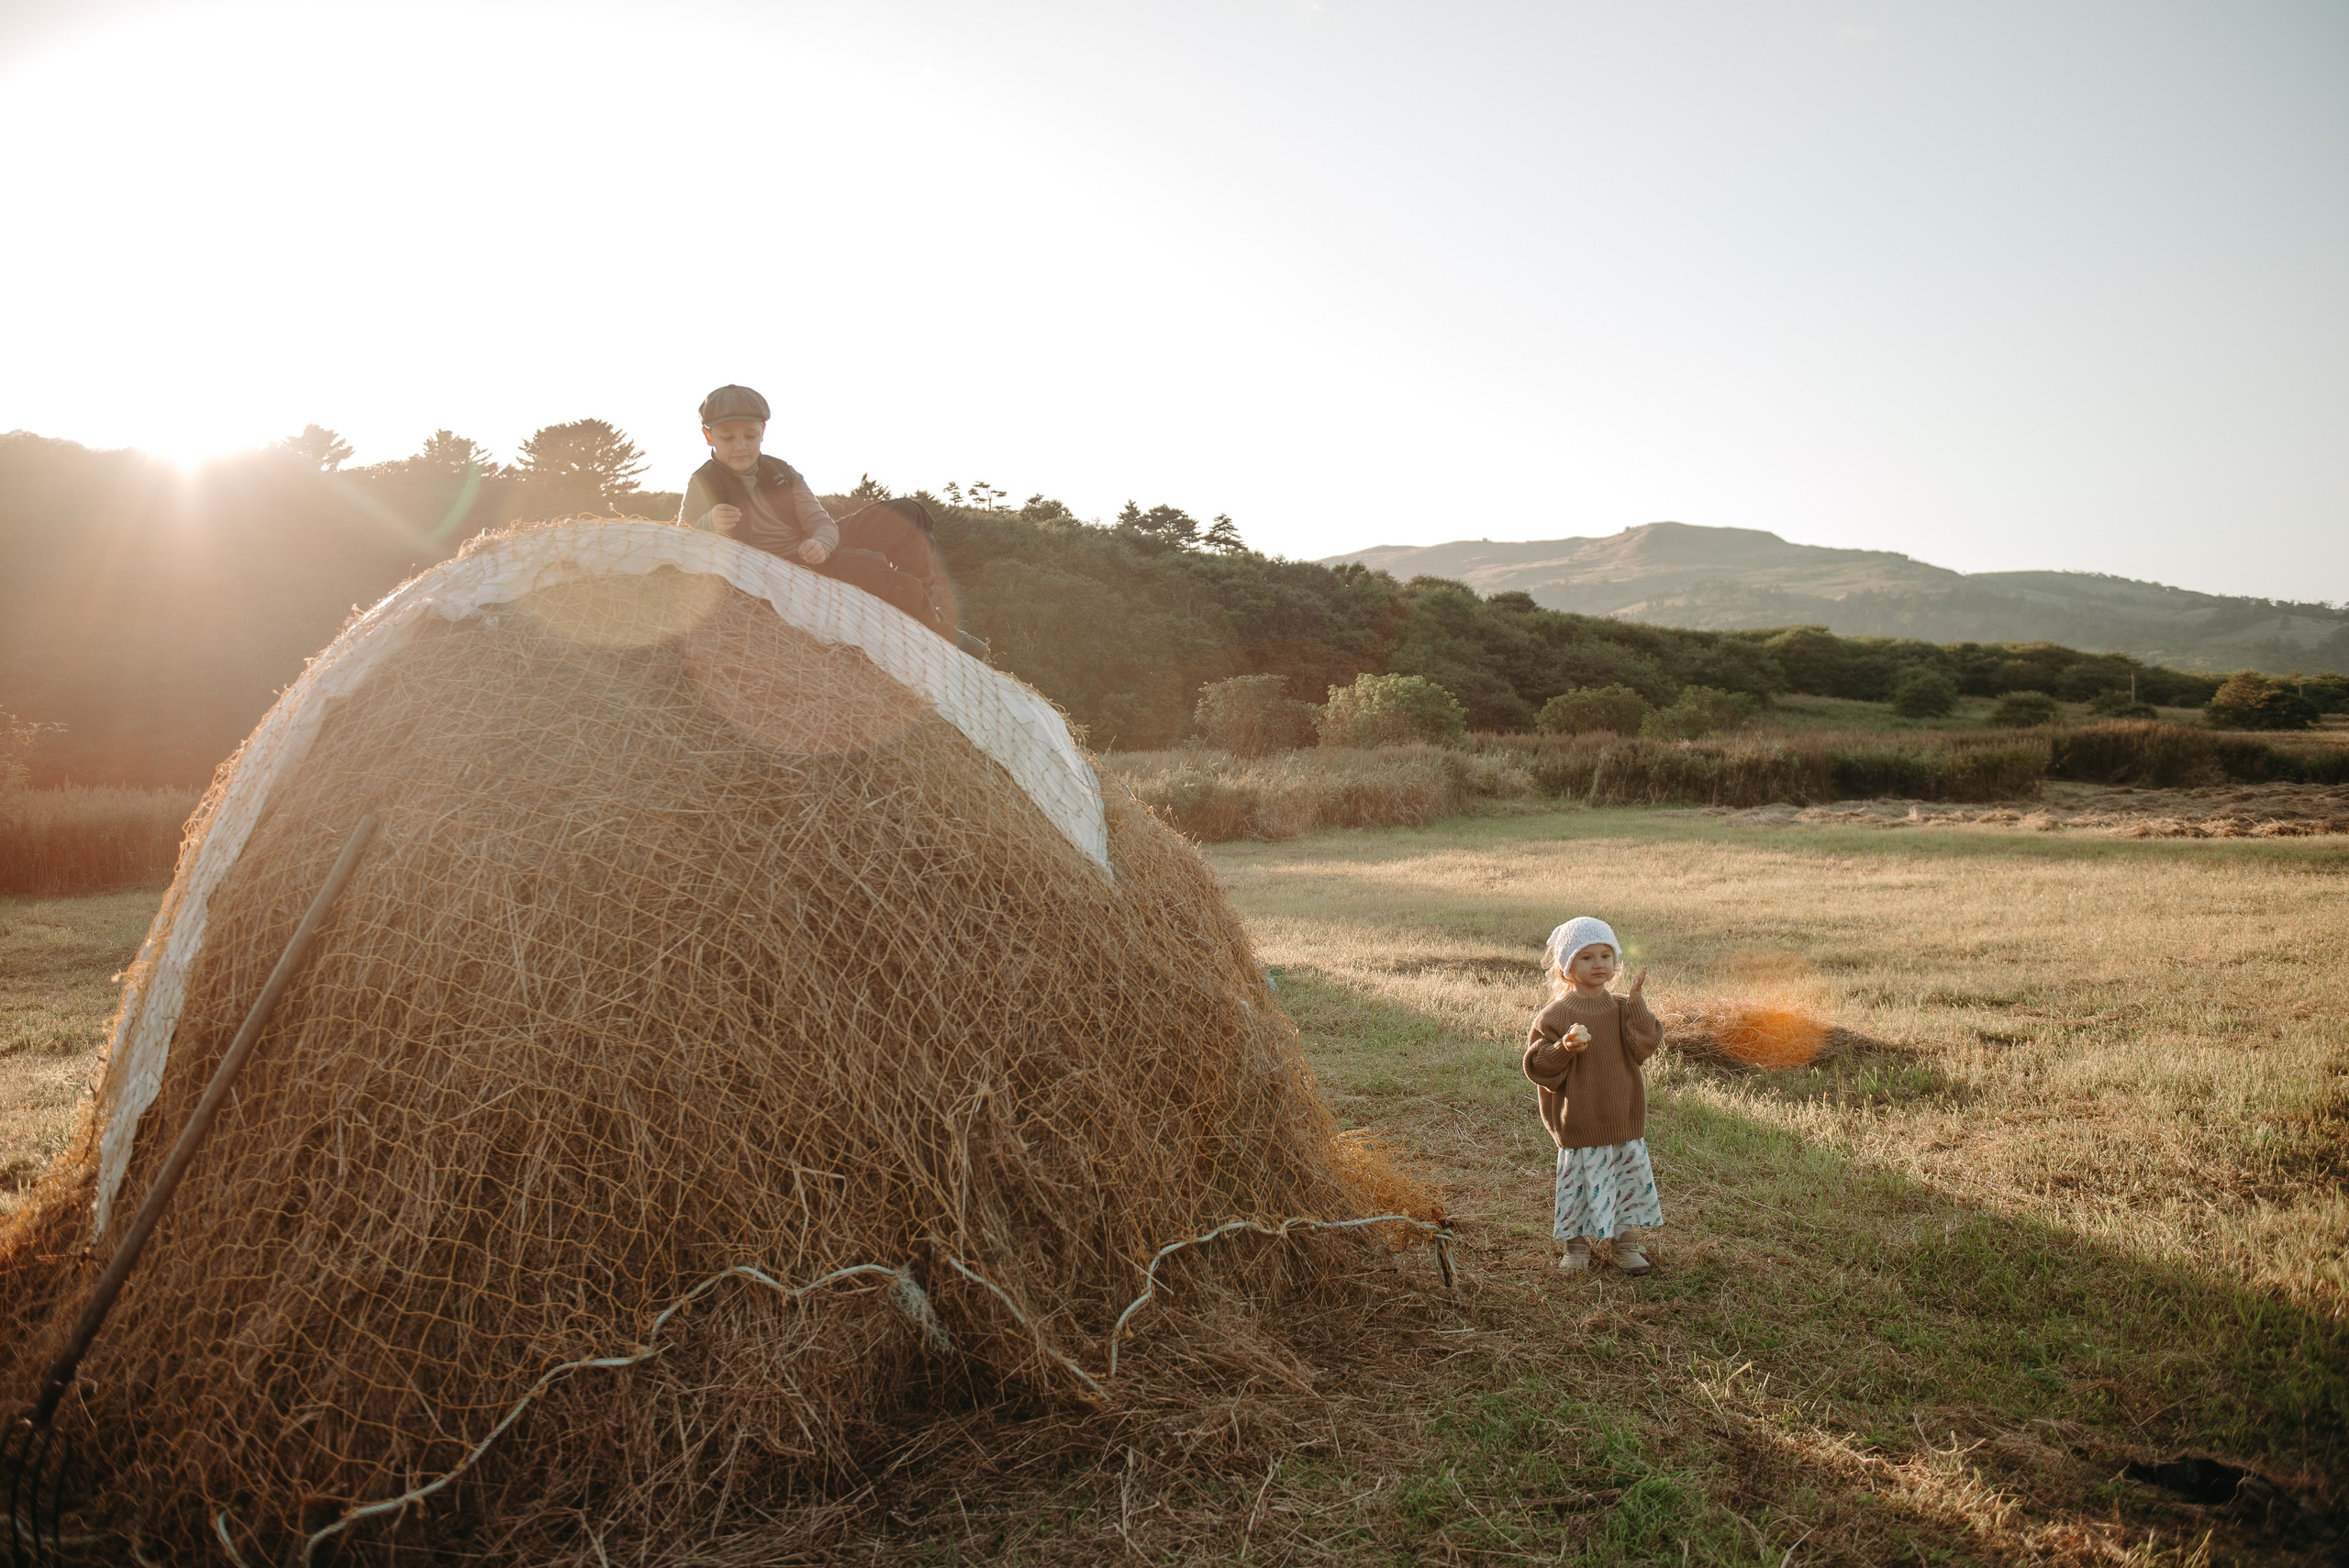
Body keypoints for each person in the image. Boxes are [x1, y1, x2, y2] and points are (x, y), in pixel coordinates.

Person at [680, 385, 972, 649]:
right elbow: (680, 536)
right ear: (708, 435)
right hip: (782, 567)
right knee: (865, 566)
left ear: (763, 432)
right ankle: (941, 635)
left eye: (750, 435)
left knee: (906, 513)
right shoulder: (704, 482)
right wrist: (709, 522)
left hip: (813, 549)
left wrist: (822, 543)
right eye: (728, 437)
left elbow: (821, 523)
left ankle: (925, 612)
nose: (740, 445)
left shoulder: (782, 473)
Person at [1522, 917, 1664, 1274]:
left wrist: (1637, 1004)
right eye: (1586, 957)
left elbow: (1644, 1046)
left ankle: (1625, 1243)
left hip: (1623, 1116)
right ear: (1567, 967)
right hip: (1582, 1120)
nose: (1599, 963)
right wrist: (1564, 1047)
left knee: (1624, 1180)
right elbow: (1538, 1066)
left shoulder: (1619, 1008)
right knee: (1581, 1186)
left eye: (1606, 955)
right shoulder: (1556, 1014)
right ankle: (1576, 1246)